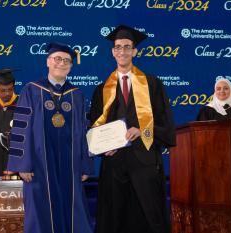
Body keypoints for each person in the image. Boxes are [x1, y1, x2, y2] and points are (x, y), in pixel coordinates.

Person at [89, 25, 176, 233]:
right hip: (114, 163)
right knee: (115, 218)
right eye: (118, 47)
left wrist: (143, 130)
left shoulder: (153, 84)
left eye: (127, 47)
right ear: (112, 52)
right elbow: (93, 126)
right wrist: (102, 148)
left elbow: (166, 123)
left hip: (144, 160)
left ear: (135, 51)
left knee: (148, 216)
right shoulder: (102, 89)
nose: (122, 51)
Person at [7, 42, 93, 233]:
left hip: (70, 166)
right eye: (57, 59)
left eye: (66, 60)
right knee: (40, 211)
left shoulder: (76, 94)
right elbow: (20, 129)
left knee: (72, 211)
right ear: (48, 61)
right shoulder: (31, 90)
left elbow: (84, 134)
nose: (61, 63)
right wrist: (23, 164)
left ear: (71, 66)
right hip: (38, 165)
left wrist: (85, 164)